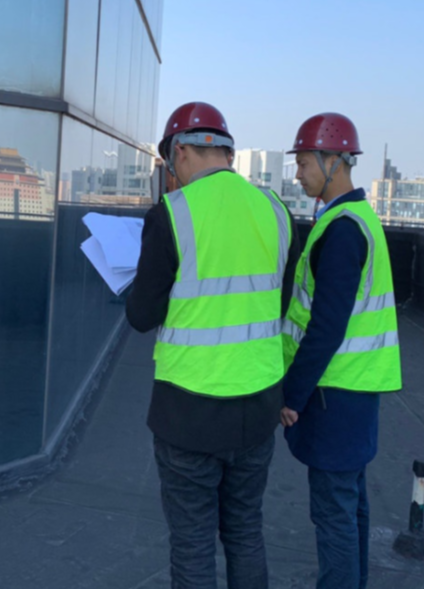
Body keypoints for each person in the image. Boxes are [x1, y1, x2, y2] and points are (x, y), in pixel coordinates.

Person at [126, 101, 300, 589]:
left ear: (180, 153)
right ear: (226, 153)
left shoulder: (172, 214)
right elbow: (278, 303)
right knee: (245, 532)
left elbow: (142, 316)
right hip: (258, 407)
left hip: (188, 412)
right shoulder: (277, 211)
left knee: (193, 543)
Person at [280, 113, 403, 589]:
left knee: (334, 513)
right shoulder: (358, 219)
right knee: (351, 507)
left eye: (304, 162)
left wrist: (292, 395)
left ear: (334, 161)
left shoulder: (342, 230)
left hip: (334, 393)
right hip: (357, 390)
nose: (298, 173)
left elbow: (326, 326)